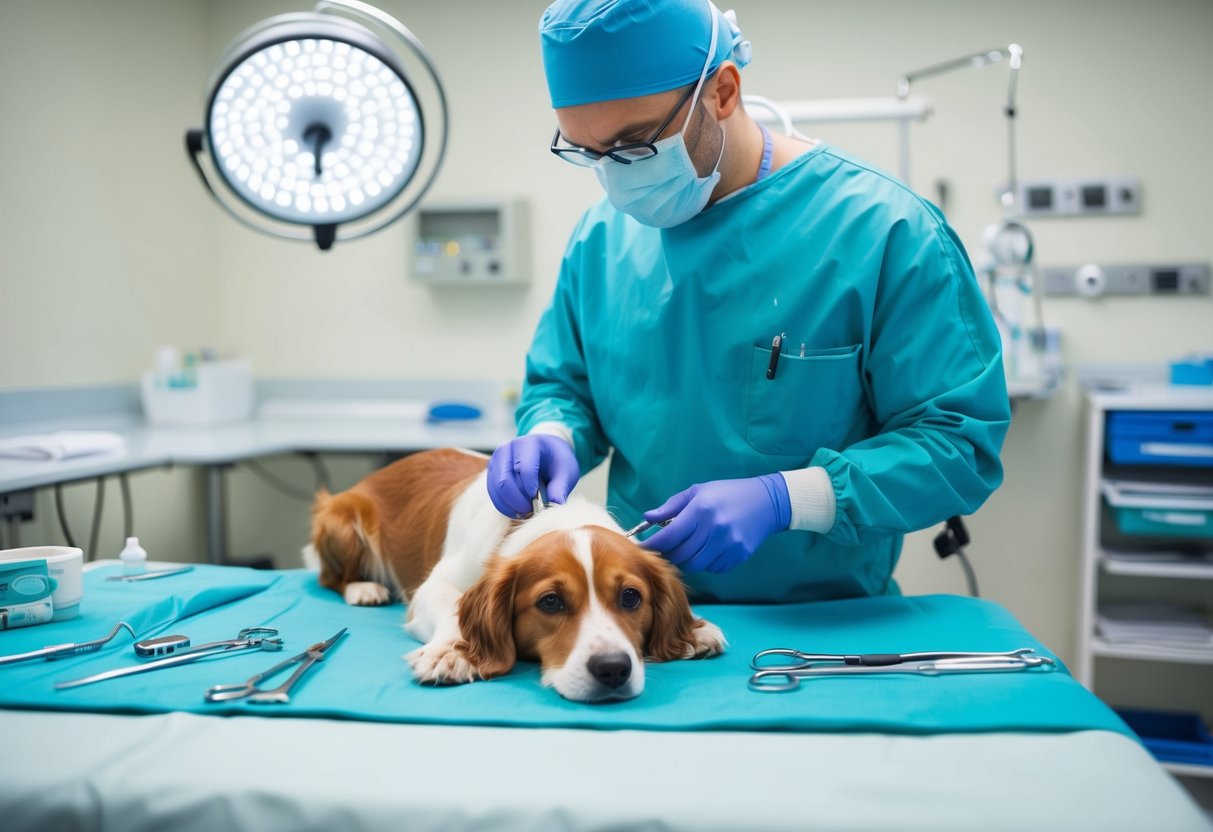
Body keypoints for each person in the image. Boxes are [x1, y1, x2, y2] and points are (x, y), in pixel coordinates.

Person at [487, 0, 1012, 603]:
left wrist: (787, 499)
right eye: (589, 152)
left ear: (724, 92)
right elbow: (565, 385)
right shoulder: (601, 238)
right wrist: (553, 432)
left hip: (820, 631)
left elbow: (956, 444)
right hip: (640, 623)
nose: (615, 177)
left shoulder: (885, 232)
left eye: (634, 146)